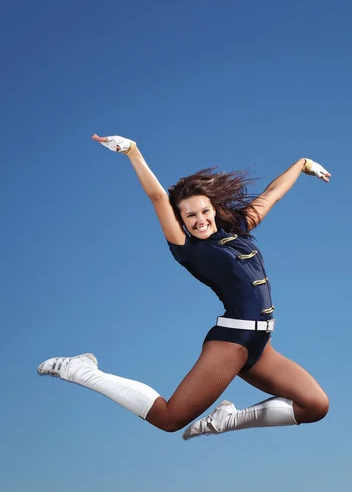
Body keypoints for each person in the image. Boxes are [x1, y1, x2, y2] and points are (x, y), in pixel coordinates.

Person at [37, 134, 331, 439]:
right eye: (189, 216)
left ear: (214, 209)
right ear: (181, 221)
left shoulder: (239, 228)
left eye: (204, 211)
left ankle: (225, 420)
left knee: (315, 405)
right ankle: (83, 371)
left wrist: (302, 164)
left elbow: (273, 193)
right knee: (169, 417)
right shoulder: (189, 249)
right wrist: (133, 151)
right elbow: (157, 197)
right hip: (233, 342)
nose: (200, 220)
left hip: (261, 344)